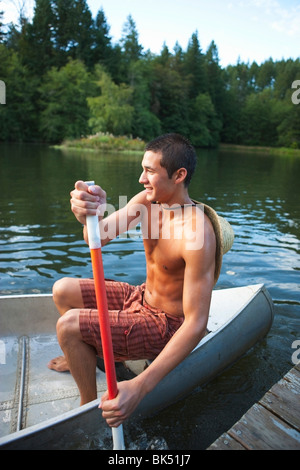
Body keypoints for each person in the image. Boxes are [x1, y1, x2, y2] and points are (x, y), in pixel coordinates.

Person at [48, 133, 233, 428]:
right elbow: (97, 238)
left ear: (179, 175)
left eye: (150, 171)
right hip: (142, 296)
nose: (140, 178)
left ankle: (89, 409)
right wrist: (90, 215)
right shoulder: (147, 203)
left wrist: (140, 387)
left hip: (166, 324)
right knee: (62, 290)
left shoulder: (197, 234)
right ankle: (78, 359)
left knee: (69, 326)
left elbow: (196, 324)